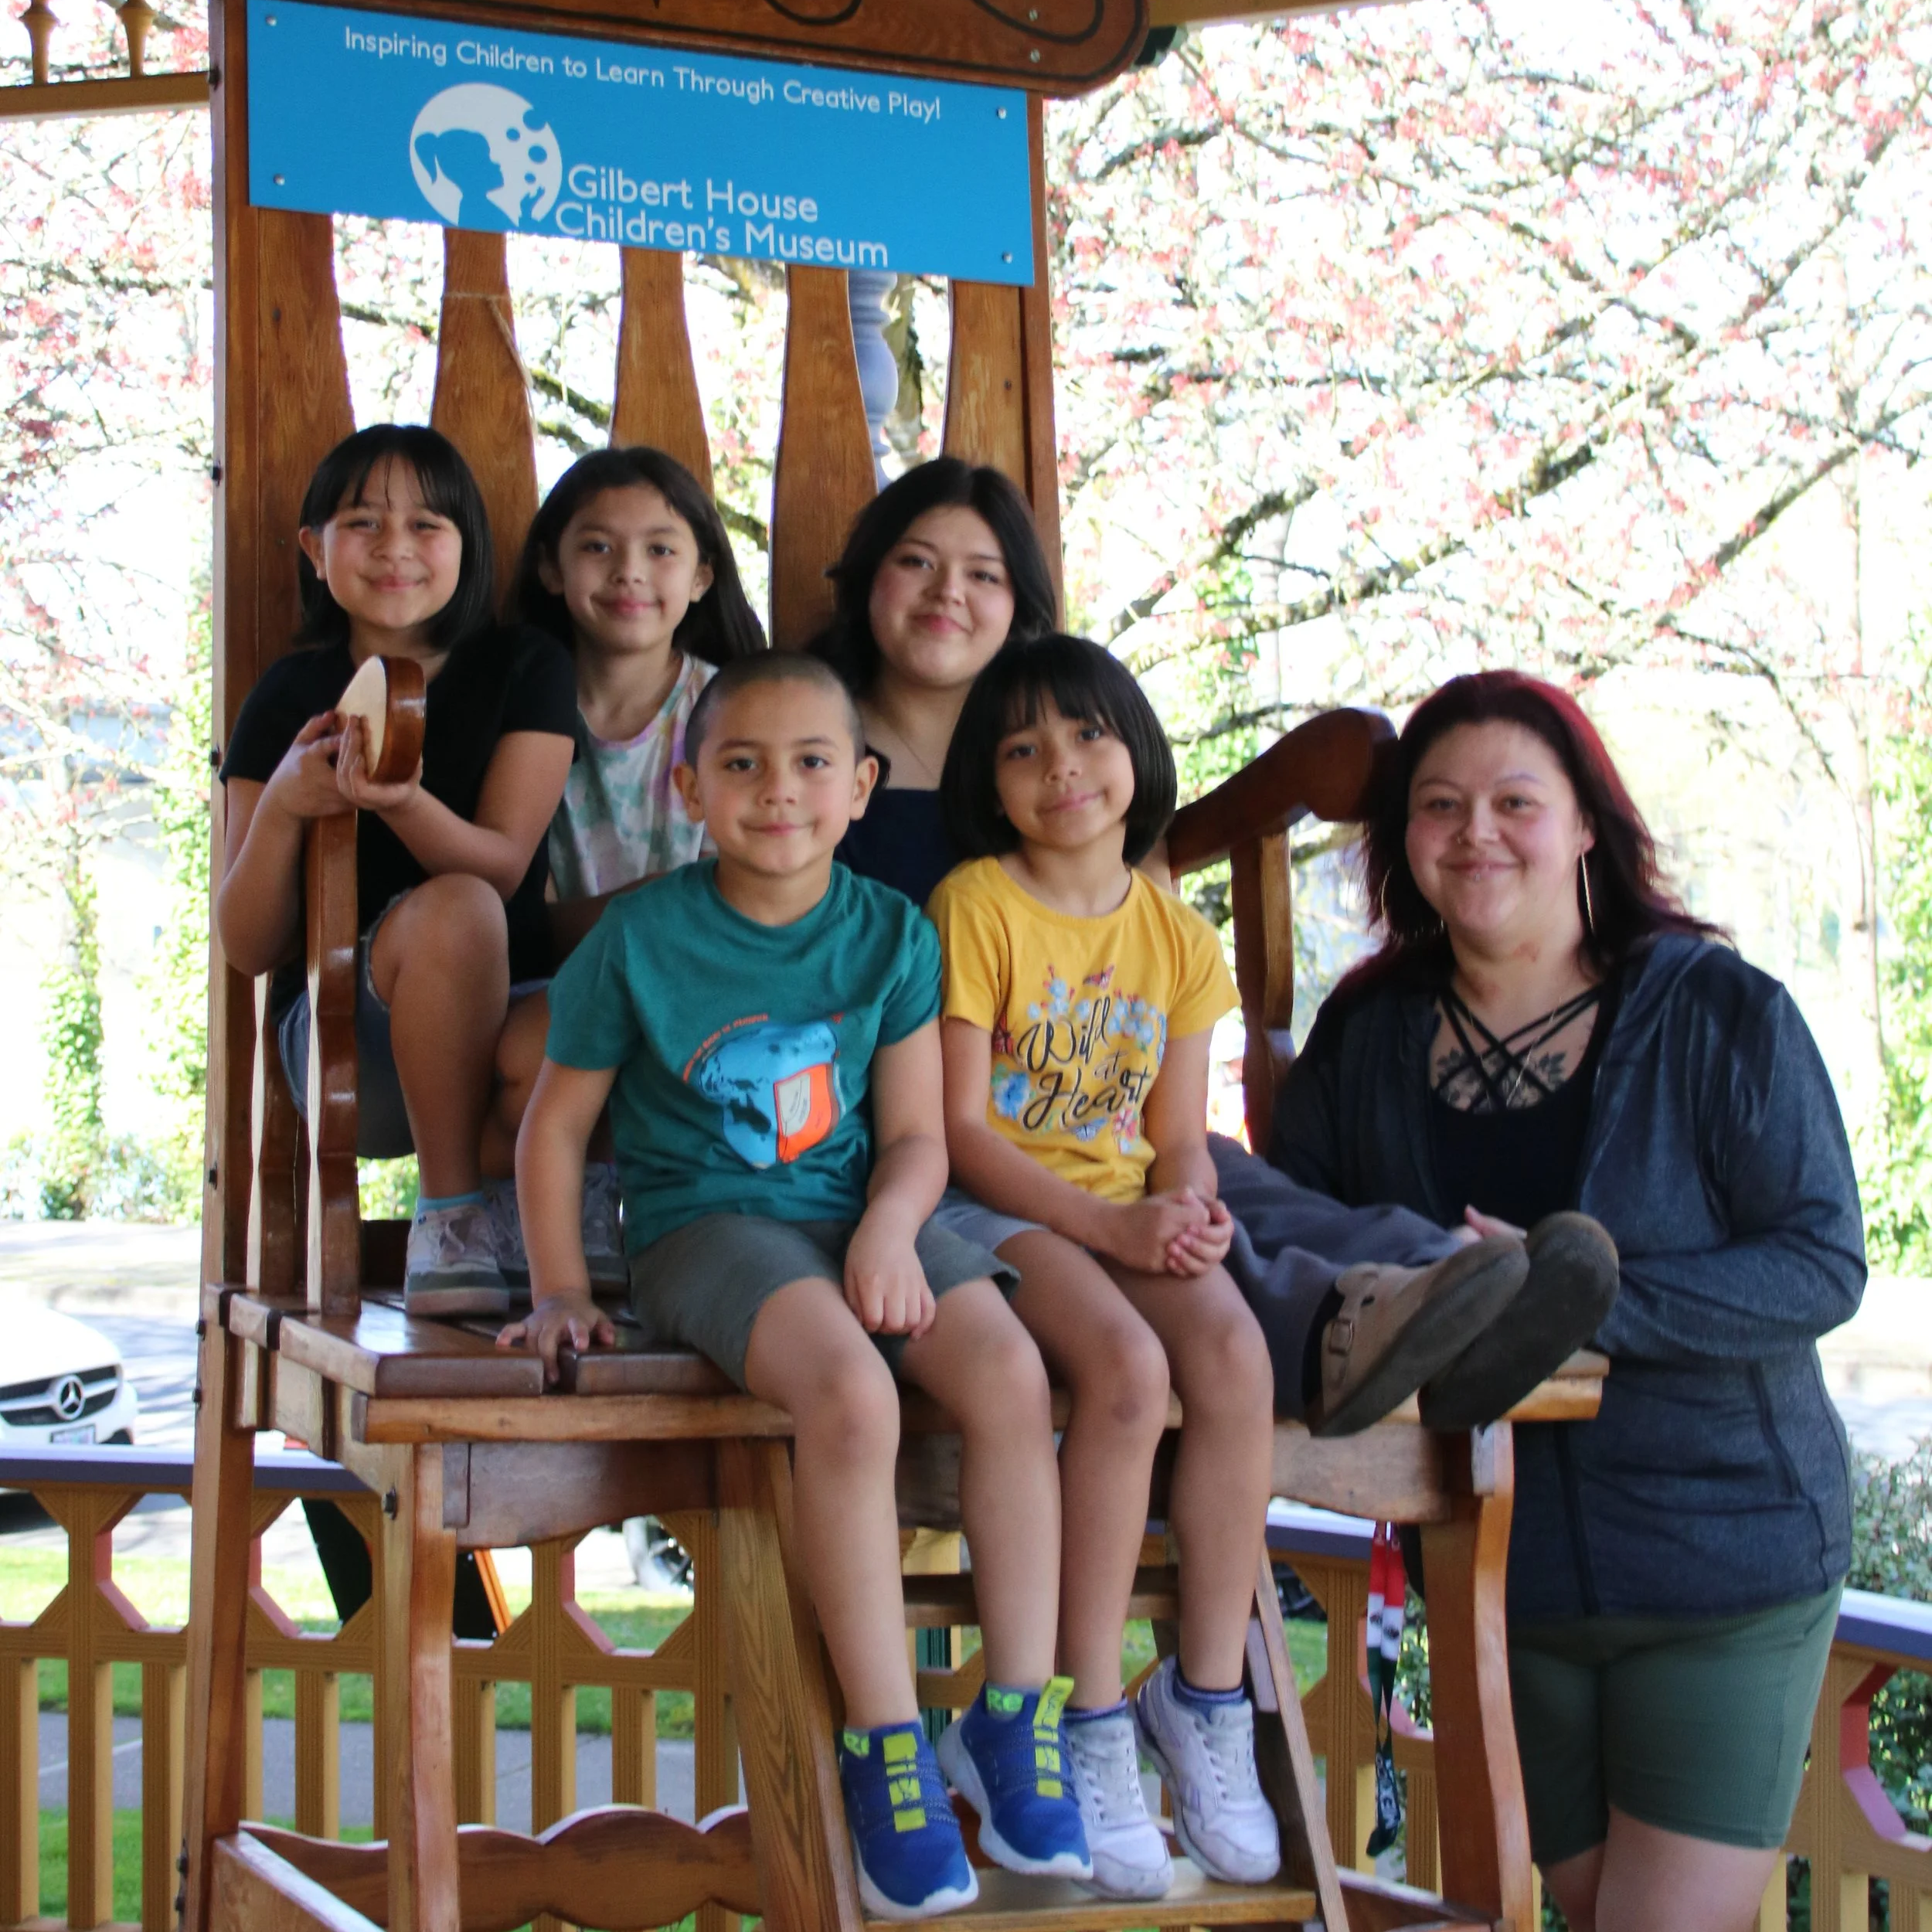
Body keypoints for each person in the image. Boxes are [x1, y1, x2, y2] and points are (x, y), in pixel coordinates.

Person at [1260, 670, 1865, 1932]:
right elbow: (1292, 1246)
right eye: (1439, 805)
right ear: (1404, 840)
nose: (1476, 831)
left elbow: (1820, 1263)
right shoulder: (1365, 1037)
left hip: (1722, 1561)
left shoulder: (1717, 1011)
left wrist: (1581, 1299)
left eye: (1514, 801)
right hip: (1494, 1573)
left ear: (1588, 821)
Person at [499, 652, 1090, 1920]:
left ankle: (1011, 1716)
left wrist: (888, 1227)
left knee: (1007, 1371)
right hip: (706, 1227)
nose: (781, 791)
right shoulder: (640, 937)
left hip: (858, 1210)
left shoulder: (892, 932)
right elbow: (553, 1129)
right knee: (850, 1393)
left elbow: (922, 1136)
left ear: (862, 784)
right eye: (745, 764)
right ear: (690, 782)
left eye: (814, 761)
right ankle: (884, 1748)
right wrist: (558, 1284)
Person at [924, 634, 1304, 1900]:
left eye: (1086, 735)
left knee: (1237, 1357)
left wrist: (1188, 1208)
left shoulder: (1180, 942)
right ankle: (1083, 1718)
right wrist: (1120, 1231)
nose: (1061, 767)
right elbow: (967, 1134)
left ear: (1137, 755)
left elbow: (1177, 1134)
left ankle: (1201, 1701)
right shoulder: (977, 903)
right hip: (995, 1208)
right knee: (1131, 1374)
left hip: (1124, 1212)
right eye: (1022, 748)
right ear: (992, 782)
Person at [216, 423, 576, 1315]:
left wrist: (398, 800)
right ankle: (452, 1219)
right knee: (452, 911)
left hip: (516, 1040)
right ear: (315, 548)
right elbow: (246, 943)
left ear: (468, 546)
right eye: (362, 522)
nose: (395, 549)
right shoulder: (289, 696)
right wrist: (287, 808)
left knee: (596, 978)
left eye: (427, 525)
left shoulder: (525, 668)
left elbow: (503, 866)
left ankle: (575, 1222)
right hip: (349, 1036)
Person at [483, 446, 767, 1284]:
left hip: (708, 985)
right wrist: (647, 908)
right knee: (536, 1048)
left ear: (704, 574)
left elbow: (752, 899)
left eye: (661, 549)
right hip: (554, 981)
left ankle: (644, 1233)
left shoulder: (735, 710)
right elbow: (517, 921)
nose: (628, 573)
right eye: (597, 546)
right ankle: (537, 1249)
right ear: (550, 565)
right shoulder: (521, 712)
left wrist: (647, 919)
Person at [810, 457, 1059, 911]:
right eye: (917, 561)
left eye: (983, 574)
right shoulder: (797, 736)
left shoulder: (1065, 753)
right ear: (869, 577)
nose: (948, 590)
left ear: (1017, 604)